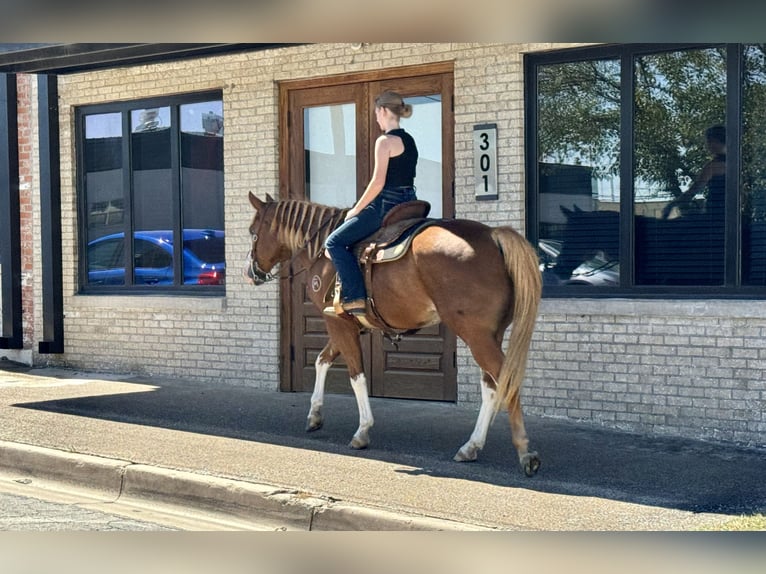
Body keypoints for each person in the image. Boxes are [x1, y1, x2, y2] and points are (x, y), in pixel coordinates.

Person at [323, 91, 419, 316]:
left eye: (377, 112)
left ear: (384, 111)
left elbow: (377, 183)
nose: (376, 118)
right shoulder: (410, 141)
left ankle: (355, 297)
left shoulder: (384, 141)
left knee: (334, 242)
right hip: (410, 203)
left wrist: (355, 210)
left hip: (386, 205)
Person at [662, 124, 726, 222]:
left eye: (710, 141)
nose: (707, 145)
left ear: (717, 141)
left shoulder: (714, 166)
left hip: (715, 215)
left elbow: (695, 189)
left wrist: (671, 205)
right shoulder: (735, 162)